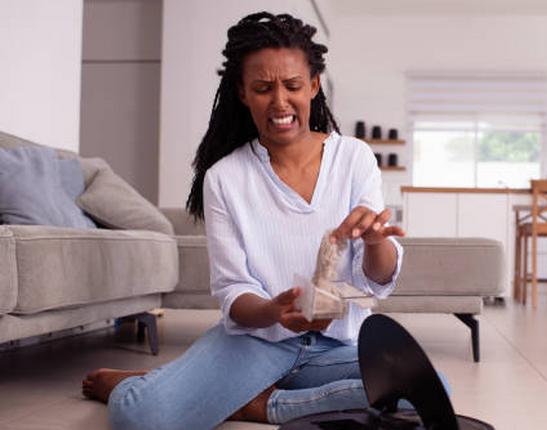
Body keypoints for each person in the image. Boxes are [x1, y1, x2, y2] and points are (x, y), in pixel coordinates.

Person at [81, 11, 406, 429]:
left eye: (292, 86)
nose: (280, 102)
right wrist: (274, 310)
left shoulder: (354, 157)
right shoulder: (225, 178)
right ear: (242, 92)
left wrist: (377, 242)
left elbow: (376, 279)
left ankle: (253, 404)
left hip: (336, 345)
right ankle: (154, 388)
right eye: (263, 88)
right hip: (255, 344)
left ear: (313, 85)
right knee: (139, 415)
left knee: (421, 393)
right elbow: (235, 292)